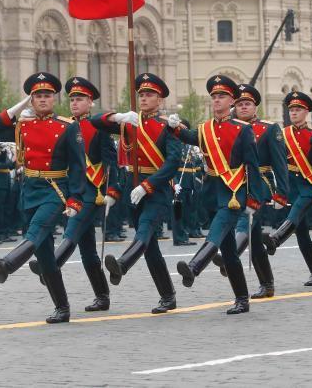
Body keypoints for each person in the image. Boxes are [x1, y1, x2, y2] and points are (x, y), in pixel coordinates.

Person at [0, 72, 85, 324]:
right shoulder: (23, 125)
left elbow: (79, 166)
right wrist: (19, 107)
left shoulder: (67, 126)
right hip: (30, 189)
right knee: (45, 255)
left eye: (47, 95)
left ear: (54, 98)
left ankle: (8, 264)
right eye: (37, 96)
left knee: (38, 229)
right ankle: (62, 307)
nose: (42, 100)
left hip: (54, 189)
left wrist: (75, 199)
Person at [168, 75, 267, 315]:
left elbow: (252, 165)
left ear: (232, 100)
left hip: (234, 194)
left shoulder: (242, 131)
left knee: (219, 229)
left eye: (221, 96)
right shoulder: (206, 129)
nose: (216, 100)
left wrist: (254, 198)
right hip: (214, 192)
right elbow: (191, 137)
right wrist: (174, 127)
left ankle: (194, 267)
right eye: (213, 96)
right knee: (230, 251)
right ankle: (242, 298)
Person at [29, 76, 117, 312]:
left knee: (72, 230)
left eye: (80, 99)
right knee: (87, 249)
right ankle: (102, 296)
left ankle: (50, 265)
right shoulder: (64, 127)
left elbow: (112, 163)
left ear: (90, 103)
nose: (75, 103)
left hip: (92, 192)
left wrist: (112, 191)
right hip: (72, 191)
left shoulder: (98, 128)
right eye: (72, 99)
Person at [99, 73, 183, 314]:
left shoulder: (167, 126)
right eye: (142, 94)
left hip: (156, 190)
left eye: (150, 95)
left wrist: (148, 185)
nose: (145, 98)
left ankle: (123, 264)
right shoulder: (129, 122)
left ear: (160, 99)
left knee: (146, 228)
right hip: (131, 189)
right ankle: (168, 296)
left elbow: (172, 163)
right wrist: (117, 116)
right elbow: (97, 122)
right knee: (150, 247)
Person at [210, 83, 288, 298]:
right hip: (233, 183)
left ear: (255, 107)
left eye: (248, 104)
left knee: (245, 220)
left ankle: (230, 255)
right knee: (254, 238)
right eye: (240, 104)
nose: (243, 107)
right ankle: (267, 283)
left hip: (259, 183)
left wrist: (281, 193)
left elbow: (280, 163)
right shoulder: (227, 127)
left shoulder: (269, 129)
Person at [263, 91, 312, 286]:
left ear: (306, 112)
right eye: (291, 110)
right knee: (302, 234)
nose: (293, 113)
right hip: (291, 185)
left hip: (309, 185)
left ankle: (276, 239)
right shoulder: (282, 135)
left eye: (298, 110)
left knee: (295, 212)